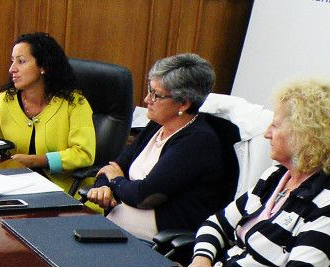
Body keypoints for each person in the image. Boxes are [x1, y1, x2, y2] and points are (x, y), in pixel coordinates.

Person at [187, 78, 330, 267]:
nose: (267, 134)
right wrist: (201, 259)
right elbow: (217, 223)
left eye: (276, 126)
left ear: (305, 136)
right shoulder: (275, 176)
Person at [87, 54, 233, 239]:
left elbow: (144, 196)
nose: (147, 99)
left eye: (156, 95)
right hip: (117, 224)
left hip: (158, 241)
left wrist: (116, 181)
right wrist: (103, 187)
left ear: (184, 103)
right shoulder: (158, 124)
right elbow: (114, 166)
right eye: (150, 90)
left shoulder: (197, 142)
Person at [0, 32, 95, 188]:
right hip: (11, 185)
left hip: (64, 191)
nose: (12, 69)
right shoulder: (6, 99)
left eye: (21, 61)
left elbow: (83, 154)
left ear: (43, 66)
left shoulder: (74, 103)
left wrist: (36, 160)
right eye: (12, 61)